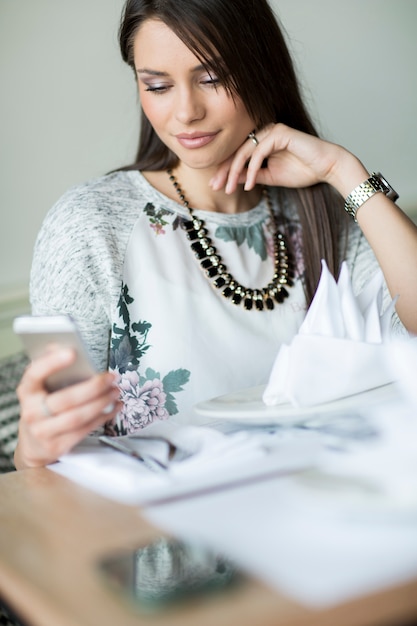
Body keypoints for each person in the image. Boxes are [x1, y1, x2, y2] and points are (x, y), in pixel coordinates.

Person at [14, 0, 417, 470]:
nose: (186, 111)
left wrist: (342, 170)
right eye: (157, 85)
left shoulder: (330, 215)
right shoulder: (92, 223)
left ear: (261, 70)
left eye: (212, 78)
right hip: (154, 535)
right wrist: (33, 446)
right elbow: (52, 456)